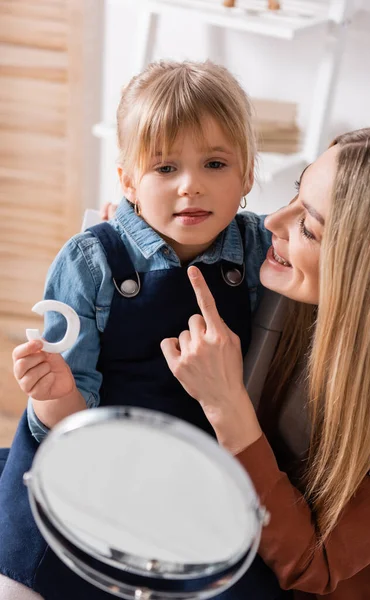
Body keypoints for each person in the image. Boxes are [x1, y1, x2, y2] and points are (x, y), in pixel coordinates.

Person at [0, 61, 285, 600]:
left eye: (215, 163)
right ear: (128, 180)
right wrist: (54, 393)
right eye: (165, 168)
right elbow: (67, 420)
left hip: (194, 475)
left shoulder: (260, 250)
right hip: (79, 457)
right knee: (29, 584)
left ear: (248, 174)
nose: (191, 186)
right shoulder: (90, 260)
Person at [160, 126, 370, 599]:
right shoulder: (286, 279)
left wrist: (226, 407)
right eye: (296, 191)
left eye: (308, 227)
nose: (274, 220)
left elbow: (310, 566)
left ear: (365, 269)